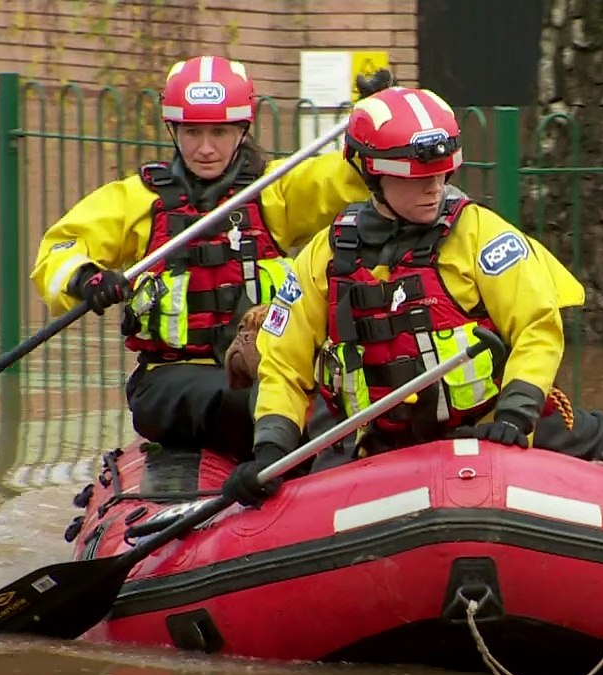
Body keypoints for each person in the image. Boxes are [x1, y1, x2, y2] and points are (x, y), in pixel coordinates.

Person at [222, 85, 603, 506]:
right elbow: (284, 362)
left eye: (441, 175)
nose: (433, 188)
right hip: (376, 440)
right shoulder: (326, 254)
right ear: (373, 175)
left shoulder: (480, 235)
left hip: (484, 426)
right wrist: (272, 450)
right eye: (416, 180)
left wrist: (514, 415)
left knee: (581, 433)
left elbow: (536, 327)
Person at [30, 56, 384, 460]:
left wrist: (372, 126)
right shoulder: (137, 199)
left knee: (324, 396)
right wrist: (85, 279)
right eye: (192, 132)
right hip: (170, 379)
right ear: (174, 130)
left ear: (242, 130)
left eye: (219, 132)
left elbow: (345, 179)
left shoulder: (274, 190)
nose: (205, 148)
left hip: (258, 361)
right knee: (246, 401)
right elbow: (59, 250)